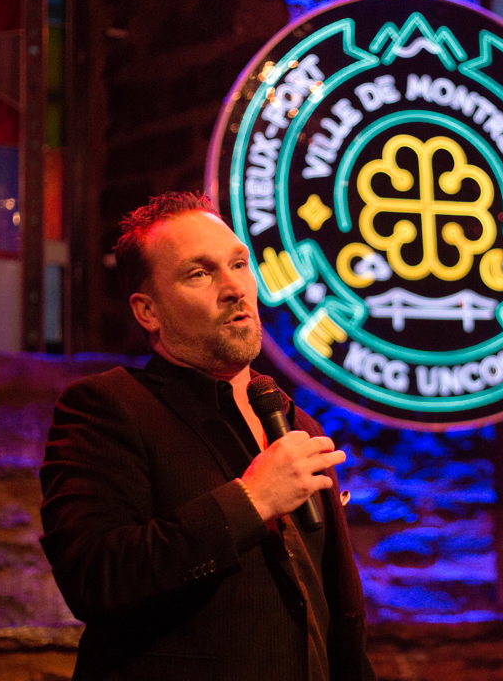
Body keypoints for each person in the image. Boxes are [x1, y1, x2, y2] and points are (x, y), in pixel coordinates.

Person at [39, 191, 377, 680]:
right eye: (200, 273)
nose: (234, 287)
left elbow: (334, 615)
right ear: (148, 311)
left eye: (239, 264)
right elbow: (94, 577)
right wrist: (252, 501)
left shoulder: (297, 424)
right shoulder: (109, 407)